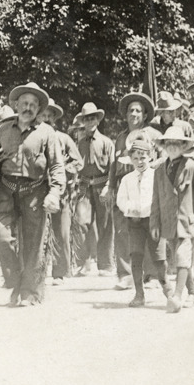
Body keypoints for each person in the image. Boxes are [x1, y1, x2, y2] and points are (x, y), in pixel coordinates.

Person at [0, 82, 66, 306]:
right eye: (24, 103)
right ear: (16, 105)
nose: (28, 108)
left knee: (34, 245)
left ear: (39, 108)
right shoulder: (2, 131)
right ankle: (15, 281)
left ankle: (29, 293)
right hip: (6, 189)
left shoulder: (47, 132)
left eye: (33, 104)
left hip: (35, 191)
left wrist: (55, 192)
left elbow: (57, 166)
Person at [149, 125, 194, 313]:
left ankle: (177, 296)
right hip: (168, 223)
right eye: (168, 143)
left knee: (182, 256)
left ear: (183, 146)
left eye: (177, 143)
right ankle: (193, 292)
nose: (172, 147)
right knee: (182, 260)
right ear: (164, 146)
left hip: (187, 223)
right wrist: (154, 223)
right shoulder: (159, 171)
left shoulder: (193, 167)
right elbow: (156, 200)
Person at [103, 92, 160, 291]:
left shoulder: (154, 135)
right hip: (124, 186)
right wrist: (110, 187)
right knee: (122, 231)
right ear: (126, 114)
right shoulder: (120, 138)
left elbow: (165, 158)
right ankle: (126, 275)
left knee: (148, 229)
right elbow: (114, 165)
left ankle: (152, 275)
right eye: (130, 110)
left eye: (138, 111)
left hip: (146, 186)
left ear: (145, 115)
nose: (134, 114)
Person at [116, 137, 171, 307]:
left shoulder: (156, 176)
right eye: (136, 158)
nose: (139, 162)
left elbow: (162, 198)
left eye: (143, 158)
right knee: (136, 255)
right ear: (131, 159)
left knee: (159, 257)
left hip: (153, 222)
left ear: (150, 157)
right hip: (135, 223)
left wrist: (151, 211)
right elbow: (121, 200)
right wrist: (131, 208)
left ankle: (167, 289)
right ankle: (139, 294)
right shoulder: (127, 179)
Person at [40, 101, 83, 284]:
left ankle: (60, 272)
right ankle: (37, 272)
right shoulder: (34, 137)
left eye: (50, 115)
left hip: (60, 192)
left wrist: (63, 168)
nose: (46, 119)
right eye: (43, 115)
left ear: (54, 118)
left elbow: (78, 162)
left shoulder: (63, 138)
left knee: (61, 231)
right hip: (37, 190)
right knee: (38, 233)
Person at [72, 102, 115, 277]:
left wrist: (109, 187)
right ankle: (84, 262)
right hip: (85, 187)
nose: (89, 122)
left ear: (97, 120)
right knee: (81, 222)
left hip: (102, 185)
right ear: (83, 122)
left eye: (92, 118)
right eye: (86, 119)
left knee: (105, 225)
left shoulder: (106, 142)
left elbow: (112, 167)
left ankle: (105, 264)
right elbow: (75, 165)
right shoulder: (79, 144)